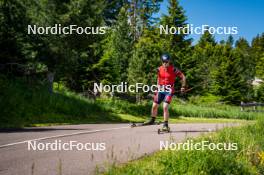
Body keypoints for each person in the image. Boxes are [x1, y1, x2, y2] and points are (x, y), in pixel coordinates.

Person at [143, 53, 186, 131]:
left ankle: (165, 125)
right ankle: (152, 120)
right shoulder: (159, 69)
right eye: (163, 61)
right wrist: (157, 87)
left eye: (166, 61)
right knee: (154, 106)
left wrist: (183, 86)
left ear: (169, 61)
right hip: (160, 90)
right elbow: (158, 78)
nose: (164, 63)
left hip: (169, 90)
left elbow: (183, 77)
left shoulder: (173, 69)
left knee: (165, 106)